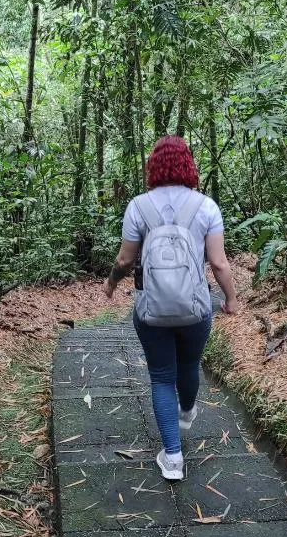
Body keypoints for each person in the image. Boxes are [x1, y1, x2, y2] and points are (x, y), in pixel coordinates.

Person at [104, 135, 242, 481]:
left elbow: (124, 258)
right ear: (187, 165)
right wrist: (231, 298)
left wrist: (110, 284)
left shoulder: (139, 206)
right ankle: (187, 410)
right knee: (189, 364)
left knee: (162, 377)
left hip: (151, 310)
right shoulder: (206, 206)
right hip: (195, 308)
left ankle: (173, 459)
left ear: (154, 165)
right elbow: (219, 263)